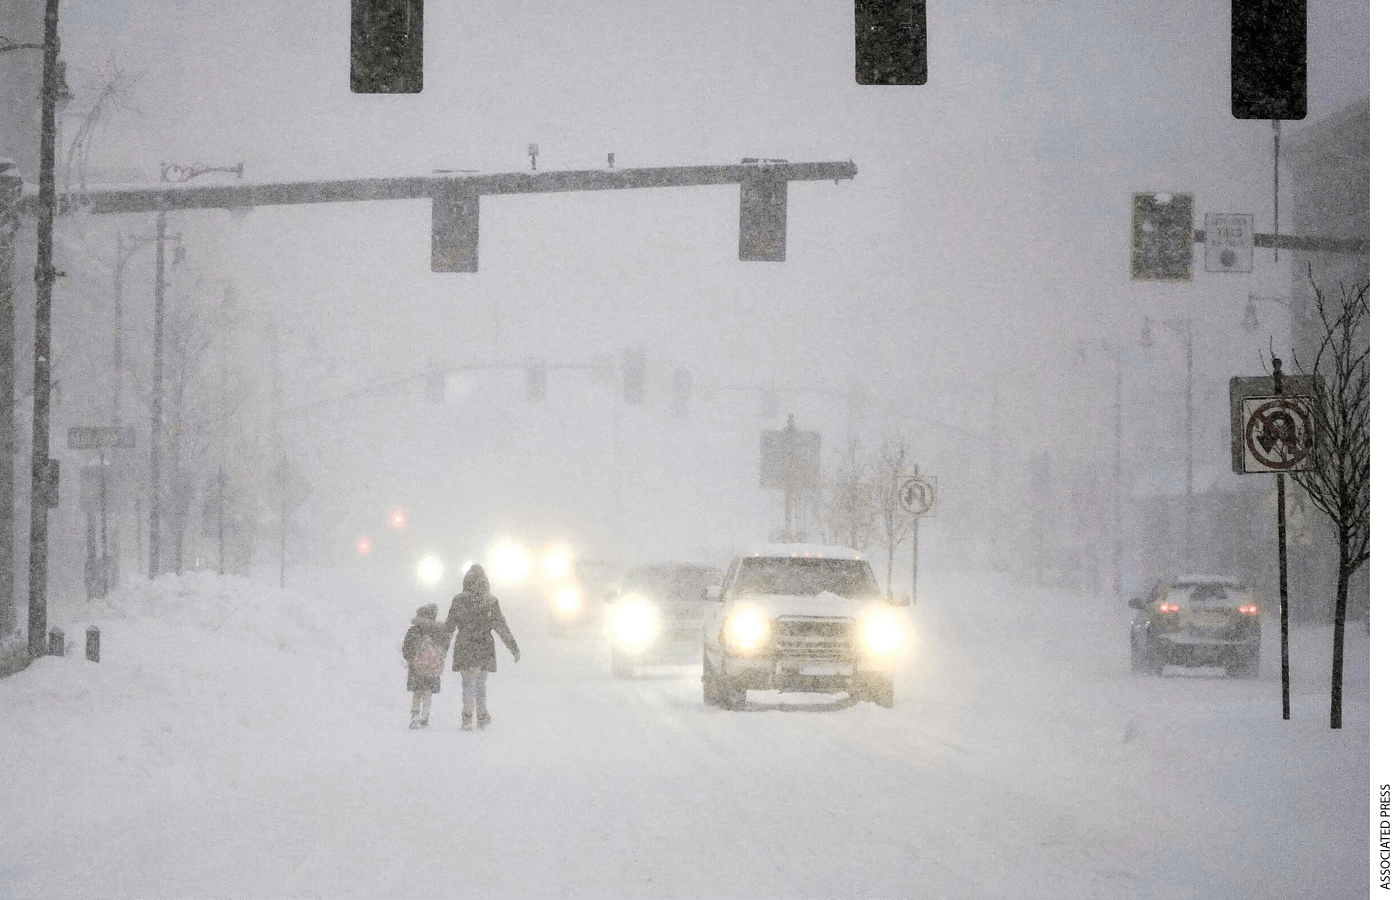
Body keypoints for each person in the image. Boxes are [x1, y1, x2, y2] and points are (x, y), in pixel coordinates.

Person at [444, 564, 520, 730]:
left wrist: (441, 650)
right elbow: (501, 627)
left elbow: (448, 627)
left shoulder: (458, 600)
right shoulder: (491, 602)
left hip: (464, 647)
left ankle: (467, 717)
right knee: (480, 685)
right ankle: (481, 716)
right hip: (484, 648)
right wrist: (513, 648)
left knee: (467, 684)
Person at [401, 603, 450, 730]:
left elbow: (406, 647)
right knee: (428, 692)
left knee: (417, 691)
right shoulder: (439, 631)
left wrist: (410, 659)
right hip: (432, 668)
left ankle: (414, 715)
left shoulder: (413, 630)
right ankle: (425, 716)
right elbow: (445, 647)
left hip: (416, 667)